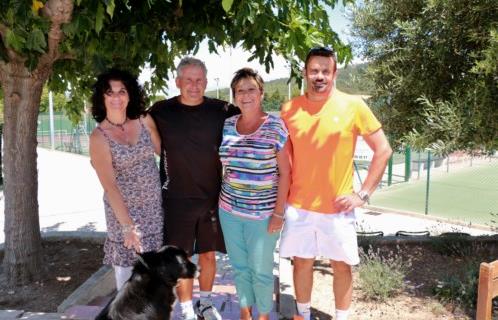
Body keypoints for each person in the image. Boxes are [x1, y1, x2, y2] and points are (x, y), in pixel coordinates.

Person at [279, 47, 393, 320]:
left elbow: (383, 149)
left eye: (325, 71)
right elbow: (285, 159)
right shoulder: (289, 109)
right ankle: (302, 315)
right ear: (305, 73)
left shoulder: (353, 106)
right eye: (314, 70)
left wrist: (362, 195)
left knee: (342, 267)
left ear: (335, 73)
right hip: (299, 206)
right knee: (302, 264)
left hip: (338, 208)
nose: (320, 76)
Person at [149, 57, 239, 320]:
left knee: (209, 256)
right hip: (175, 199)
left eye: (199, 80)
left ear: (206, 82)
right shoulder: (160, 111)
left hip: (212, 198)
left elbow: (249, 121)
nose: (193, 85)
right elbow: (139, 126)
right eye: (188, 79)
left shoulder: (222, 110)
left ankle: (206, 304)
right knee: (182, 260)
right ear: (177, 82)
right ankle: (188, 310)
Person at [218, 68, 291, 320]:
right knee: (239, 268)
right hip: (228, 210)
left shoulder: (275, 126)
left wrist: (279, 214)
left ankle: (263, 315)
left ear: (261, 92)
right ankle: (245, 313)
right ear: (234, 96)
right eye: (240, 90)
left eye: (251, 89)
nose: (245, 95)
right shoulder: (228, 125)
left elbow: (286, 174)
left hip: (263, 214)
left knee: (260, 270)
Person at [89, 68, 164, 290]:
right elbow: (110, 186)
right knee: (129, 284)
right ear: (102, 98)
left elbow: (166, 154)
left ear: (130, 94)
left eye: (121, 91)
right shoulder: (98, 137)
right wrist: (127, 227)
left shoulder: (144, 120)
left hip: (153, 210)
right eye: (110, 92)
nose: (116, 97)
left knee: (156, 280)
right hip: (124, 216)